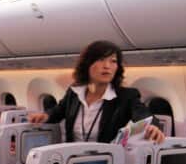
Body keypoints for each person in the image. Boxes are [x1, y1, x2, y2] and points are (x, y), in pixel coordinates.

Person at [29, 40, 166, 144]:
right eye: (101, 60)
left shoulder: (126, 96)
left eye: (113, 61)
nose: (107, 66)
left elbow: (143, 115)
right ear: (87, 64)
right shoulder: (74, 92)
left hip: (105, 163)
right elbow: (58, 111)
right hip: (71, 158)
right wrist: (45, 116)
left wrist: (153, 127)